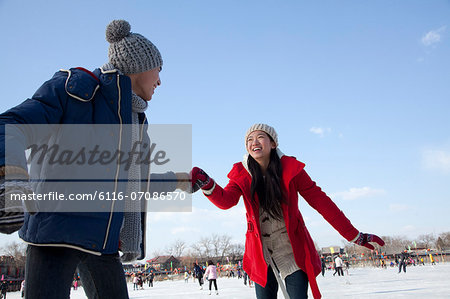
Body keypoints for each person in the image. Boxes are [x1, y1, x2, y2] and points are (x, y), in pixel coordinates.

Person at [0, 19, 190, 299]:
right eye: (158, 70)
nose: (160, 80)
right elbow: (11, 126)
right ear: (140, 65)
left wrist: (180, 181)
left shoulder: (136, 123)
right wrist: (12, 180)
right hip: (55, 234)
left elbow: (132, 186)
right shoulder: (74, 89)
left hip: (104, 241)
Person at [191, 124, 385, 299]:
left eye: (260, 137)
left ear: (273, 143)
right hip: (260, 252)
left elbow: (322, 202)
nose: (253, 142)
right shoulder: (242, 174)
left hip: (291, 249)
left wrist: (354, 235)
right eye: (249, 140)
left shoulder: (292, 170)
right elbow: (226, 200)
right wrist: (207, 183)